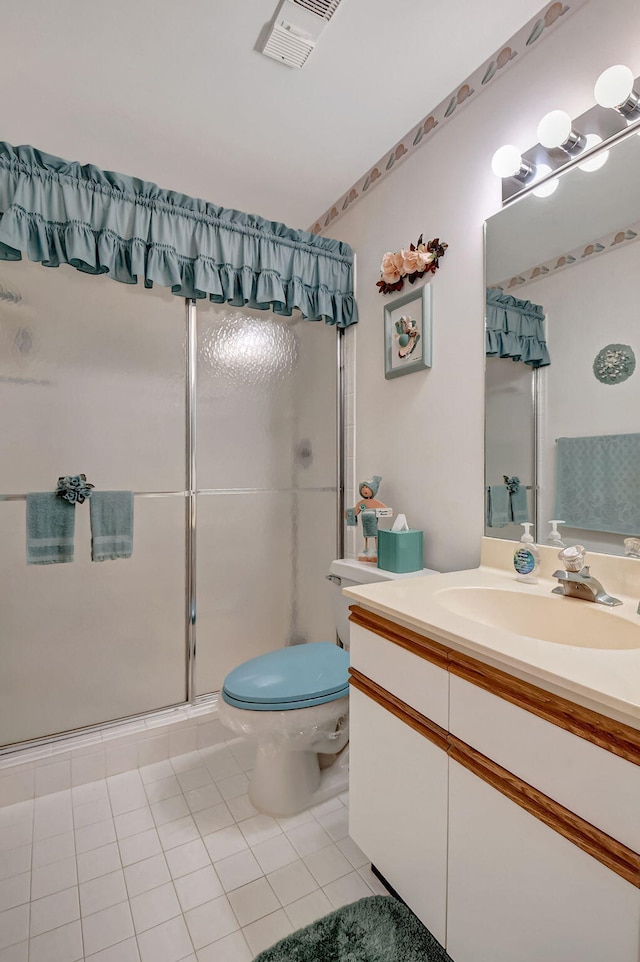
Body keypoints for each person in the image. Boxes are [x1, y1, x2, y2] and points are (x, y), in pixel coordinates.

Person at [345, 476, 389, 562]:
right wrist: (349, 514)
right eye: (363, 487)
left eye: (367, 487)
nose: (364, 490)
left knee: (375, 537)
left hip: (373, 525)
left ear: (372, 490)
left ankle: (376, 550)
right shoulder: (362, 503)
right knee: (366, 537)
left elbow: (386, 510)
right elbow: (355, 511)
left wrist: (384, 512)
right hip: (365, 526)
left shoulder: (375, 503)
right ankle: (366, 550)